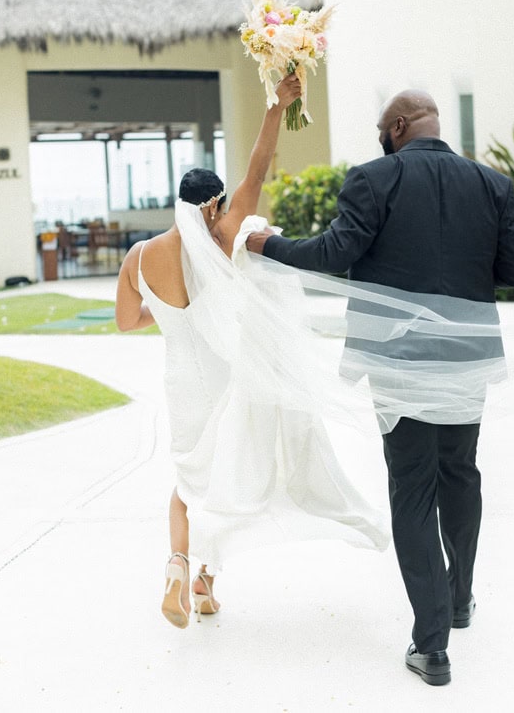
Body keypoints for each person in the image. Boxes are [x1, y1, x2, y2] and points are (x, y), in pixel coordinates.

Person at [246, 89, 514, 686]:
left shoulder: (373, 180)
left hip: (399, 362)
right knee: (461, 472)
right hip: (466, 358)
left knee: (412, 488)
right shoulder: (492, 184)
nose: (380, 137)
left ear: (399, 126)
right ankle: (458, 601)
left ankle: (431, 647)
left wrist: (266, 246)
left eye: (382, 128)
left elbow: (334, 252)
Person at [115, 73, 390, 631]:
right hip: (225, 379)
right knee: (236, 476)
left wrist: (163, 315)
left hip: (182, 381)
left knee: (190, 482)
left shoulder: (138, 257)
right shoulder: (220, 239)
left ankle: (183, 571)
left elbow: (126, 321)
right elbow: (258, 166)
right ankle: (204, 581)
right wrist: (278, 104)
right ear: (213, 205)